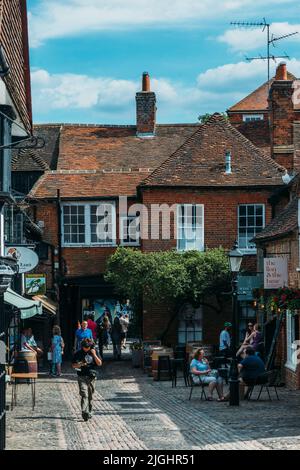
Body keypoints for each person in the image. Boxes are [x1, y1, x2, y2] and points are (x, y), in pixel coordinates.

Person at [72, 339, 102, 422]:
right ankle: (84, 412)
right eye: (85, 348)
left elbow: (99, 363)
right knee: (84, 394)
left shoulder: (94, 351)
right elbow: (73, 365)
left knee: (90, 395)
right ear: (82, 347)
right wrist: (81, 364)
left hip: (91, 377)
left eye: (88, 347)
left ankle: (89, 411)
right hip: (81, 376)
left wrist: (94, 354)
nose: (86, 349)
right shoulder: (78, 353)